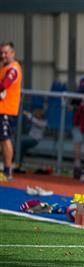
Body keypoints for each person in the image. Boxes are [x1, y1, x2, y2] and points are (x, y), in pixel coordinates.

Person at [0, 42, 22, 180]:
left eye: (6, 52)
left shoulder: (13, 69)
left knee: (5, 138)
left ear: (12, 53)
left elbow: (4, 85)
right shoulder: (4, 67)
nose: (3, 55)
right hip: (2, 109)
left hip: (7, 110)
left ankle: (8, 171)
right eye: (1, 53)